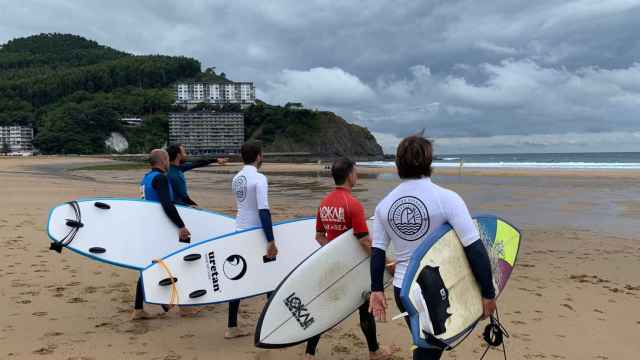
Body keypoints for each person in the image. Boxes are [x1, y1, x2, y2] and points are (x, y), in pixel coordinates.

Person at [368, 136, 496, 360]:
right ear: (429, 162)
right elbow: (474, 248)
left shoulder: (384, 206)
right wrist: (488, 293)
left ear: (398, 165)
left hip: (403, 290)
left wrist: (377, 290)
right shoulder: (447, 199)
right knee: (430, 349)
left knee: (426, 343)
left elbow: (377, 251)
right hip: (438, 287)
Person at [304, 158, 393, 360]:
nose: (357, 174)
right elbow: (364, 241)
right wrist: (387, 263)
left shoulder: (324, 203)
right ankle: (374, 352)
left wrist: (334, 254)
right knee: (364, 307)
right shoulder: (352, 204)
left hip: (331, 266)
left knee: (323, 307)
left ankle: (309, 354)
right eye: (356, 171)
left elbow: (319, 236)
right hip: (351, 268)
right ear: (349, 175)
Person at [132, 149, 191, 320]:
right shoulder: (161, 178)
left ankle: (139, 309)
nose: (168, 163)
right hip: (162, 228)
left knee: (151, 266)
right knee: (177, 262)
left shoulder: (146, 178)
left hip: (149, 227)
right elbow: (167, 204)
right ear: (163, 160)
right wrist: (181, 225)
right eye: (166, 159)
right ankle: (181, 306)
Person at [227, 141, 278, 338]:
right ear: (258, 156)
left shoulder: (236, 178)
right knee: (270, 276)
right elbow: (263, 211)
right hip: (256, 234)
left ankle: (231, 327)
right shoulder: (259, 178)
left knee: (238, 277)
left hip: (239, 230)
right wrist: (270, 240)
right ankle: (270, 326)